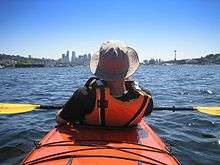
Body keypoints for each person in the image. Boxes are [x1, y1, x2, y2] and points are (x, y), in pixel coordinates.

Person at [56, 41, 153, 127]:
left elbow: (60, 120)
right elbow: (146, 113)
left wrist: (63, 111)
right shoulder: (145, 98)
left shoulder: (84, 96)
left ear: (99, 69)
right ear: (128, 71)